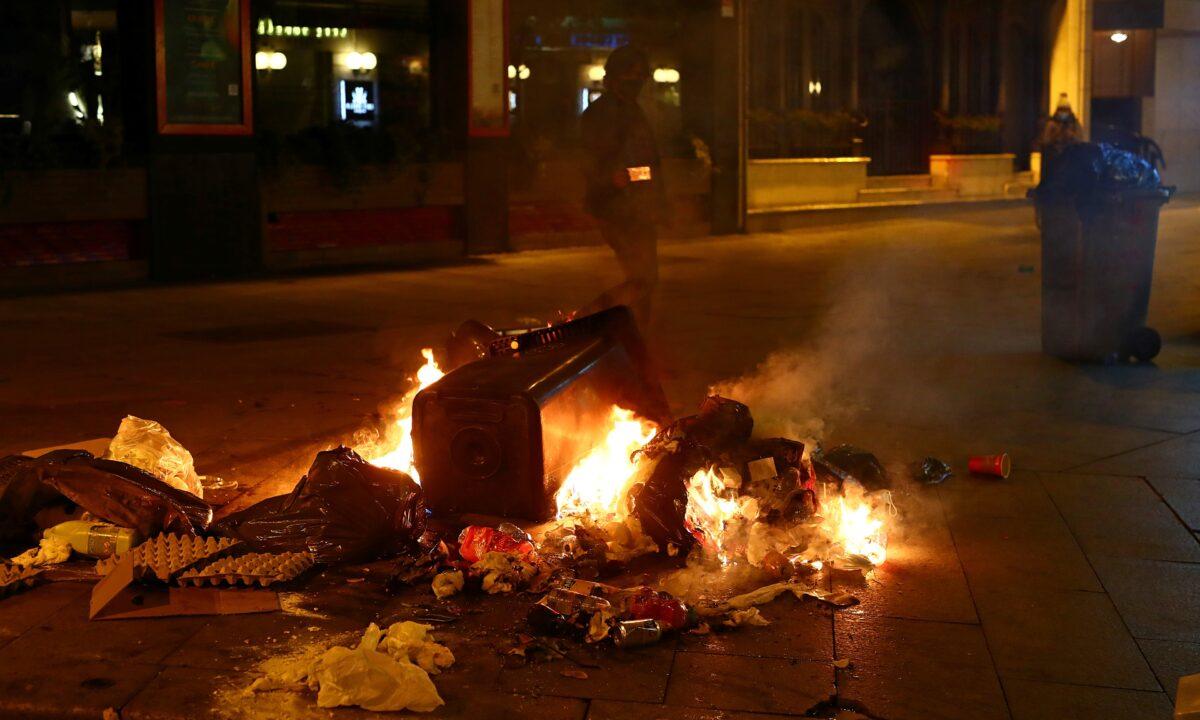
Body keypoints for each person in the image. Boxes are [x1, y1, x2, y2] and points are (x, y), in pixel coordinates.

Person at [578, 45, 665, 327]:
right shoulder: (600, 113)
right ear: (614, 77)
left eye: (641, 76)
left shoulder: (635, 111)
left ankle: (638, 337)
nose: (636, 81)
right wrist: (610, 181)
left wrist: (659, 201)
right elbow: (589, 161)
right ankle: (593, 321)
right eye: (630, 75)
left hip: (640, 208)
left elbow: (648, 163)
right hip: (617, 208)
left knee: (646, 279)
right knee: (642, 278)